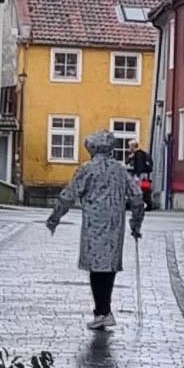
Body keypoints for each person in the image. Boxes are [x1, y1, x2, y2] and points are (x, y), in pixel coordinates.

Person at [46, 129, 145, 329]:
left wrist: (55, 217)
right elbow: (136, 197)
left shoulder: (87, 169)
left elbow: (69, 194)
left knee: (96, 268)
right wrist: (135, 223)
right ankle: (104, 310)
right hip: (115, 226)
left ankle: (102, 311)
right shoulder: (120, 169)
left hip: (94, 225)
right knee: (108, 268)